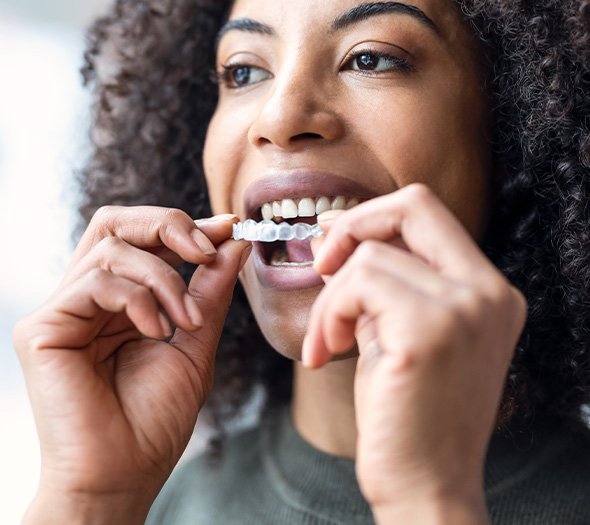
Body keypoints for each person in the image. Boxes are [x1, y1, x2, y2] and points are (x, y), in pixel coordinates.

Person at [13, 0, 590, 523]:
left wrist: (428, 502)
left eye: (370, 59)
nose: (279, 116)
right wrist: (88, 500)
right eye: (243, 72)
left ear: (515, 124)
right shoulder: (164, 505)